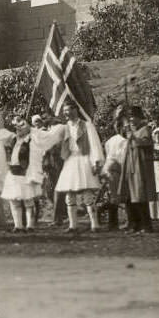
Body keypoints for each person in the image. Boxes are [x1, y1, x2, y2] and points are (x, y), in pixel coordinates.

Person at [55, 100, 103, 233]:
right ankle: (73, 225)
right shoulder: (65, 127)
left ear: (75, 110)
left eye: (68, 110)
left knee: (88, 194)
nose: (66, 113)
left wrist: (96, 162)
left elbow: (94, 144)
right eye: (64, 111)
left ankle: (95, 224)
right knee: (69, 194)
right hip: (70, 161)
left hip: (84, 159)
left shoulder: (86, 125)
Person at [118, 106, 156, 233]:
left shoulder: (145, 129)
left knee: (140, 195)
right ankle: (134, 224)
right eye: (130, 117)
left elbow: (145, 143)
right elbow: (120, 130)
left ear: (140, 118)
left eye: (134, 117)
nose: (132, 120)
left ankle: (146, 225)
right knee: (129, 196)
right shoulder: (129, 130)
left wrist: (133, 137)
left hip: (139, 166)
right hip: (129, 165)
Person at [101, 114, 129, 231]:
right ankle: (113, 223)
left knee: (121, 196)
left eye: (120, 126)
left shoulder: (123, 140)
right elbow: (111, 156)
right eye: (117, 126)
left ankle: (126, 221)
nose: (119, 128)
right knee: (114, 196)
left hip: (118, 169)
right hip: (114, 169)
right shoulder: (113, 141)